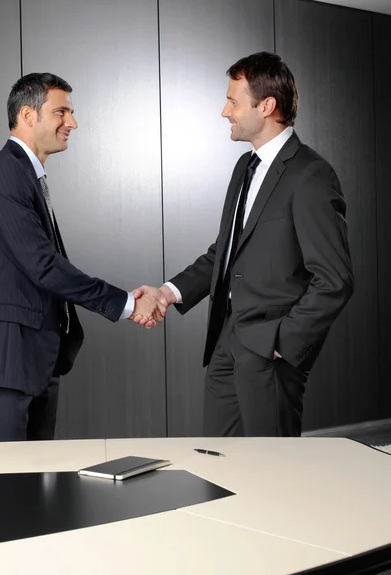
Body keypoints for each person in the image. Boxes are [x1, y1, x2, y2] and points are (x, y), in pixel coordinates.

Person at [133, 52, 353, 437]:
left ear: (266, 105)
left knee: (272, 475)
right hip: (226, 341)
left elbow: (334, 280)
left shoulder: (311, 175)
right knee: (218, 465)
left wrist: (283, 343)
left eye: (233, 101)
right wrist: (167, 293)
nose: (224, 111)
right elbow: (225, 253)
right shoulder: (244, 168)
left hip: (269, 351)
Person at [0, 72, 164, 443]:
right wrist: (127, 304)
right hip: (0, 366)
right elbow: (43, 265)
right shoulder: (2, 174)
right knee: (0, 493)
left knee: (32, 492)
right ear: (28, 116)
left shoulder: (25, 176)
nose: (73, 123)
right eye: (61, 112)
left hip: (32, 364)